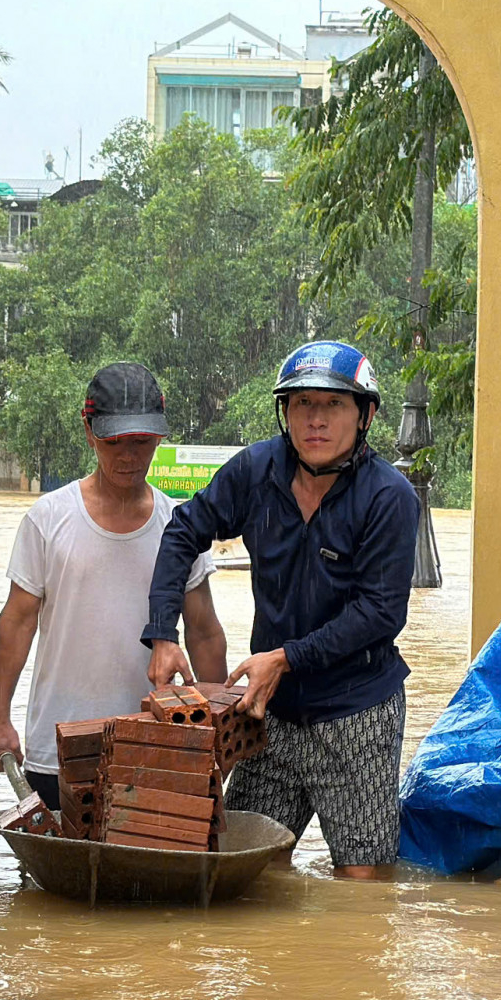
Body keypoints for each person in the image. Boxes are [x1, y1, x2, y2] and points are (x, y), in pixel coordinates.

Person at [142, 340, 419, 880]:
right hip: (270, 711)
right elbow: (182, 532)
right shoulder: (255, 470)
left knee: (364, 887)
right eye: (301, 404)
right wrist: (161, 631)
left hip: (357, 713)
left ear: (365, 414)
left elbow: (381, 613)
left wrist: (286, 658)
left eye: (333, 405)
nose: (315, 420)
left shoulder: (390, 497)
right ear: (285, 413)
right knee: (249, 872)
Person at [0, 361, 227, 810]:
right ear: (88, 430)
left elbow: (204, 630)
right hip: (56, 753)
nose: (129, 457)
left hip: (154, 749)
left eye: (142, 442)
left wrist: (217, 725)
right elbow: (17, 623)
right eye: (115, 442)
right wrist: (1, 719)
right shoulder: (49, 519)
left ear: (158, 436)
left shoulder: (179, 526)